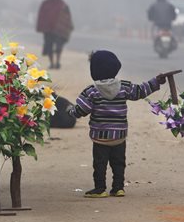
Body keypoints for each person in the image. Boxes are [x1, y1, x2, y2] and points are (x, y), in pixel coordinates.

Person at [67, 50, 166, 198]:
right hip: (119, 135)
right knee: (119, 163)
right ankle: (118, 188)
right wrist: (156, 81)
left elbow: (81, 110)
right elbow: (140, 91)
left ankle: (100, 189)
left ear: (94, 71)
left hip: (100, 137)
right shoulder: (124, 86)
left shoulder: (91, 91)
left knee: (100, 164)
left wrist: (70, 110)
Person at [36, 0, 73, 69]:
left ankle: (57, 62)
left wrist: (68, 25)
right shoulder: (46, 3)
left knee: (58, 47)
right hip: (48, 29)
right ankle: (52, 63)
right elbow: (41, 16)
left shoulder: (61, 4)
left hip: (58, 30)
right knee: (49, 47)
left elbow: (66, 16)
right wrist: (41, 27)